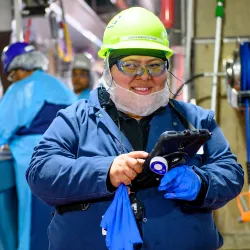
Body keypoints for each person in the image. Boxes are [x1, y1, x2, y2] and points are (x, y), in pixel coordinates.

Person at [26, 7, 244, 250]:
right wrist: (105, 171)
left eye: (154, 65)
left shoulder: (195, 119)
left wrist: (200, 182)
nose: (144, 76)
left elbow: (231, 173)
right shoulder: (76, 119)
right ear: (109, 67)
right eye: (130, 65)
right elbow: (41, 172)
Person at [0, 42, 77, 250]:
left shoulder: (20, 89)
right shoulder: (60, 85)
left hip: (32, 160)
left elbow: (2, 128)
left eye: (12, 74)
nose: (12, 79)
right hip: (68, 157)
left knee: (31, 216)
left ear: (19, 68)